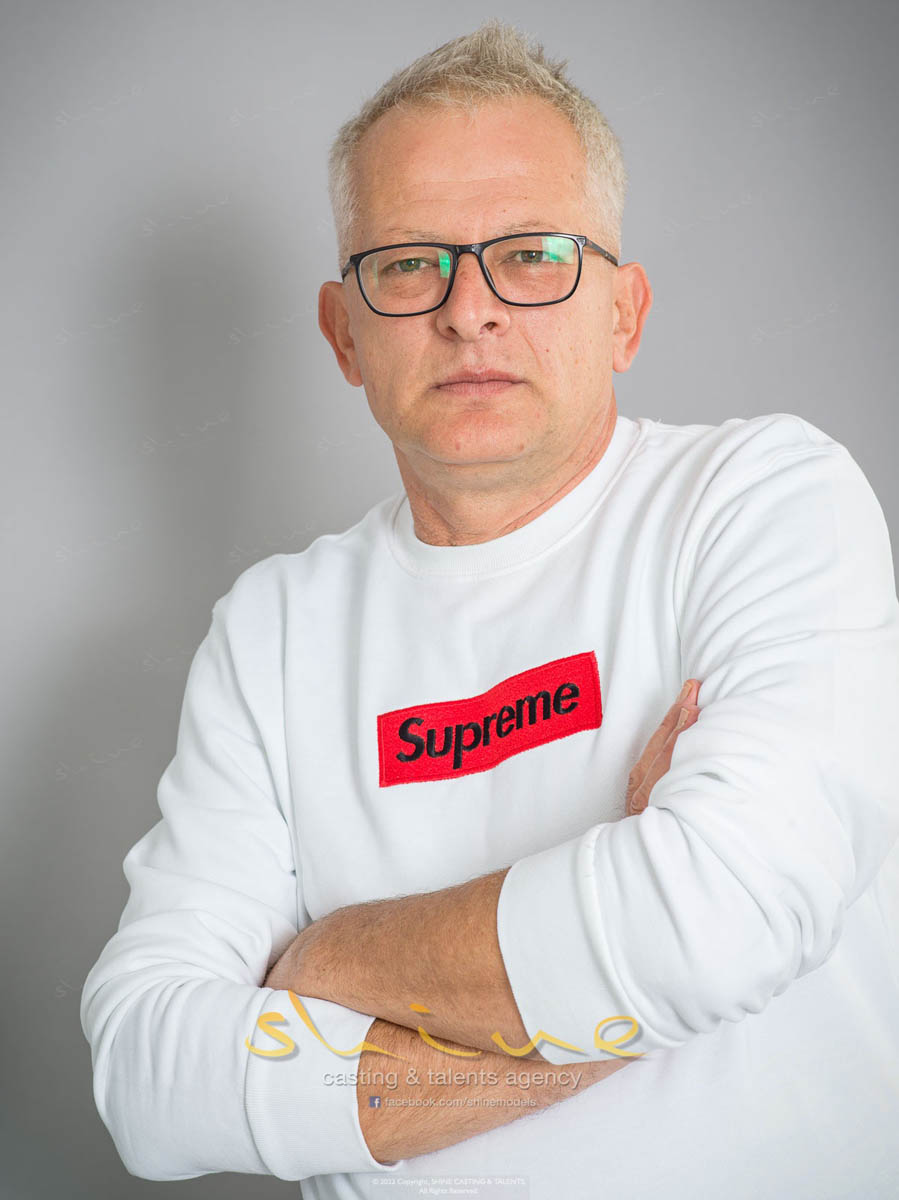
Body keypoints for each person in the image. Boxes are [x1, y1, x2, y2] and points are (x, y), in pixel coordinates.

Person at [80, 20, 899, 1199]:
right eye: (408, 264)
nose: (469, 310)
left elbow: (719, 918)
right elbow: (149, 1083)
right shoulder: (272, 632)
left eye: (530, 254)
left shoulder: (762, 497)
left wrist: (324, 959)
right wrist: (605, 994)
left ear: (622, 312)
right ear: (343, 333)